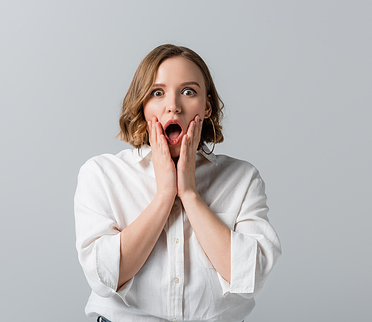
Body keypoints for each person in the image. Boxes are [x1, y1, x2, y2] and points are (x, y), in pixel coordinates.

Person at [74, 44, 282, 322]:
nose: (173, 105)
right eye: (157, 93)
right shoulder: (102, 174)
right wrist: (164, 195)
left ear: (206, 107)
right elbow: (105, 279)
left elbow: (248, 277)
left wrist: (190, 194)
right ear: (143, 105)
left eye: (188, 91)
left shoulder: (242, 179)